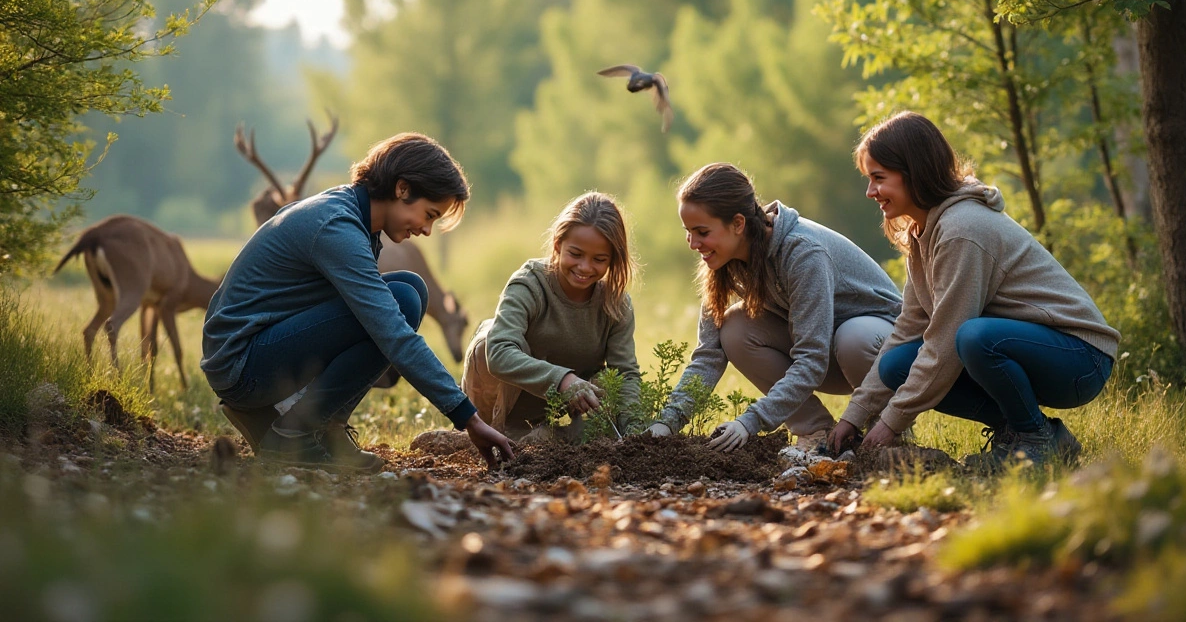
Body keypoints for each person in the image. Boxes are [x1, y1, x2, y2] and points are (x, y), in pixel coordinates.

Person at [201, 132, 513, 472]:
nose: (426, 230)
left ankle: (315, 429)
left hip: (251, 354)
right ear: (402, 189)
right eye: (429, 215)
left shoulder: (349, 214)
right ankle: (298, 435)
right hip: (242, 363)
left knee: (409, 287)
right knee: (404, 299)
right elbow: (393, 333)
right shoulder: (337, 228)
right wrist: (468, 417)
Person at [829, 111, 1120, 467]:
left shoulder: (961, 230)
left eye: (878, 178)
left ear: (913, 172)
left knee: (972, 337)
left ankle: (1035, 438)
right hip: (1031, 350)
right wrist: (854, 415)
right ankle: (1024, 434)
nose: (870, 191)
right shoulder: (923, 234)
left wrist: (891, 423)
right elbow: (907, 331)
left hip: (1080, 358)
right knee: (896, 364)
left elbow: (946, 341)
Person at [648, 163, 903, 453]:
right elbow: (708, 355)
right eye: (688, 232)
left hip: (883, 352)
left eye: (702, 232)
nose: (693, 243)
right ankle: (817, 432)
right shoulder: (722, 258)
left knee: (852, 337)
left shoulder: (802, 252)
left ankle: (887, 434)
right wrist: (667, 422)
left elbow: (812, 358)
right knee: (733, 329)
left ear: (738, 224)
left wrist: (751, 421)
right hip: (828, 354)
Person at [462, 192, 641, 441]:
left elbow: (625, 373)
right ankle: (486, 430)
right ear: (558, 244)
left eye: (599, 259)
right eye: (575, 254)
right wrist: (563, 380)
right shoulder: (530, 283)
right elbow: (498, 353)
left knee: (611, 381)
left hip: (559, 413)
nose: (585, 267)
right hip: (503, 403)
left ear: (613, 260)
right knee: (488, 341)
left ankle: (560, 436)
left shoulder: (615, 302)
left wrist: (634, 429)